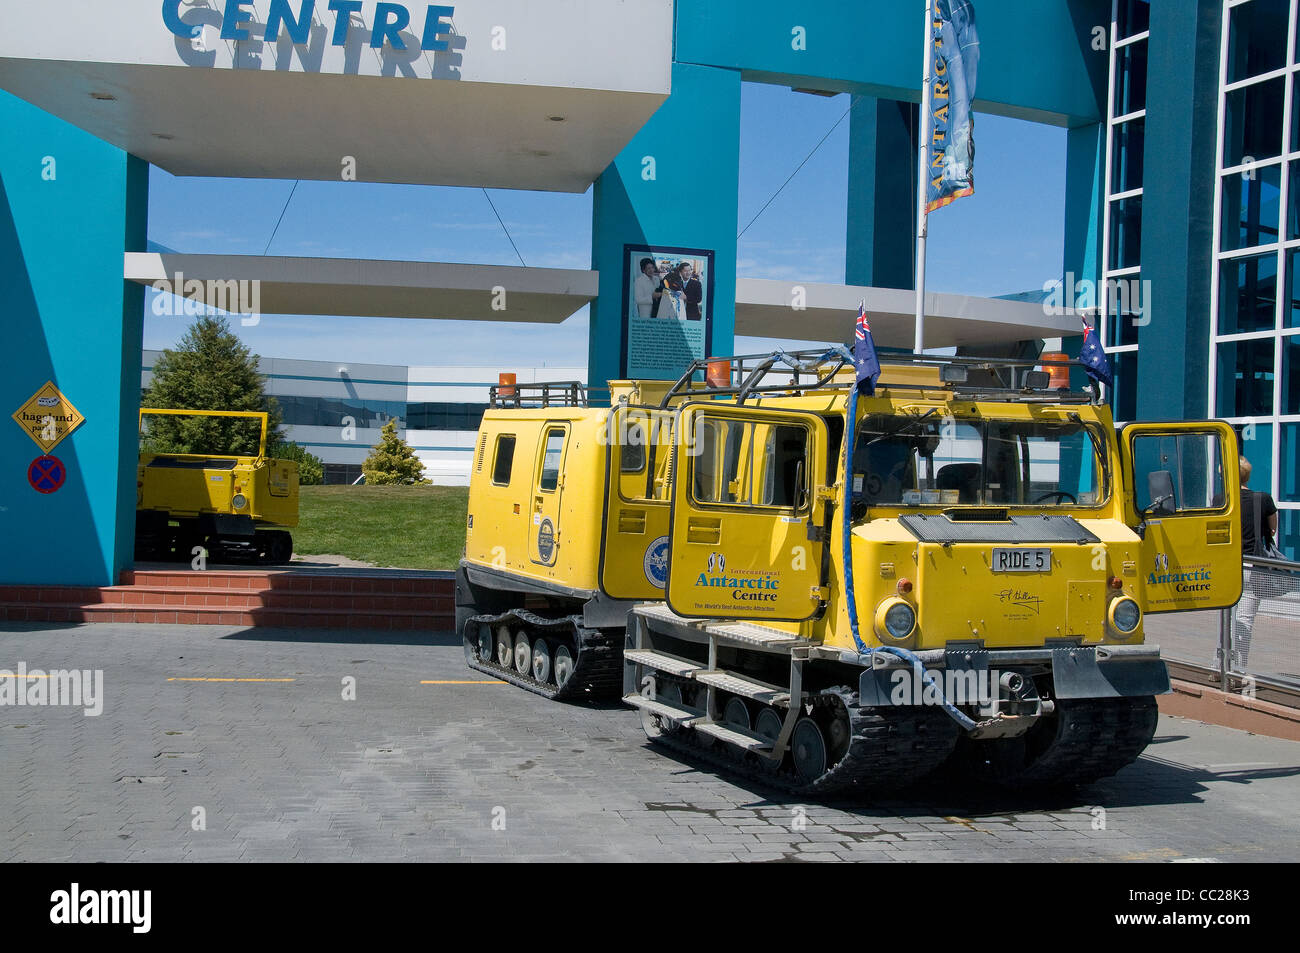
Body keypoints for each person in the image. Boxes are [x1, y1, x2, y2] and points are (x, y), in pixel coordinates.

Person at [1233, 456, 1278, 670]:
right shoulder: (1263, 499)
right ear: (1248, 475)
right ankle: (1239, 669)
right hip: (1252, 566)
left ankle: (1219, 667)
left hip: (1227, 565)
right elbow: (1272, 530)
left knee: (1223, 618)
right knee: (1245, 618)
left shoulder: (1219, 500)